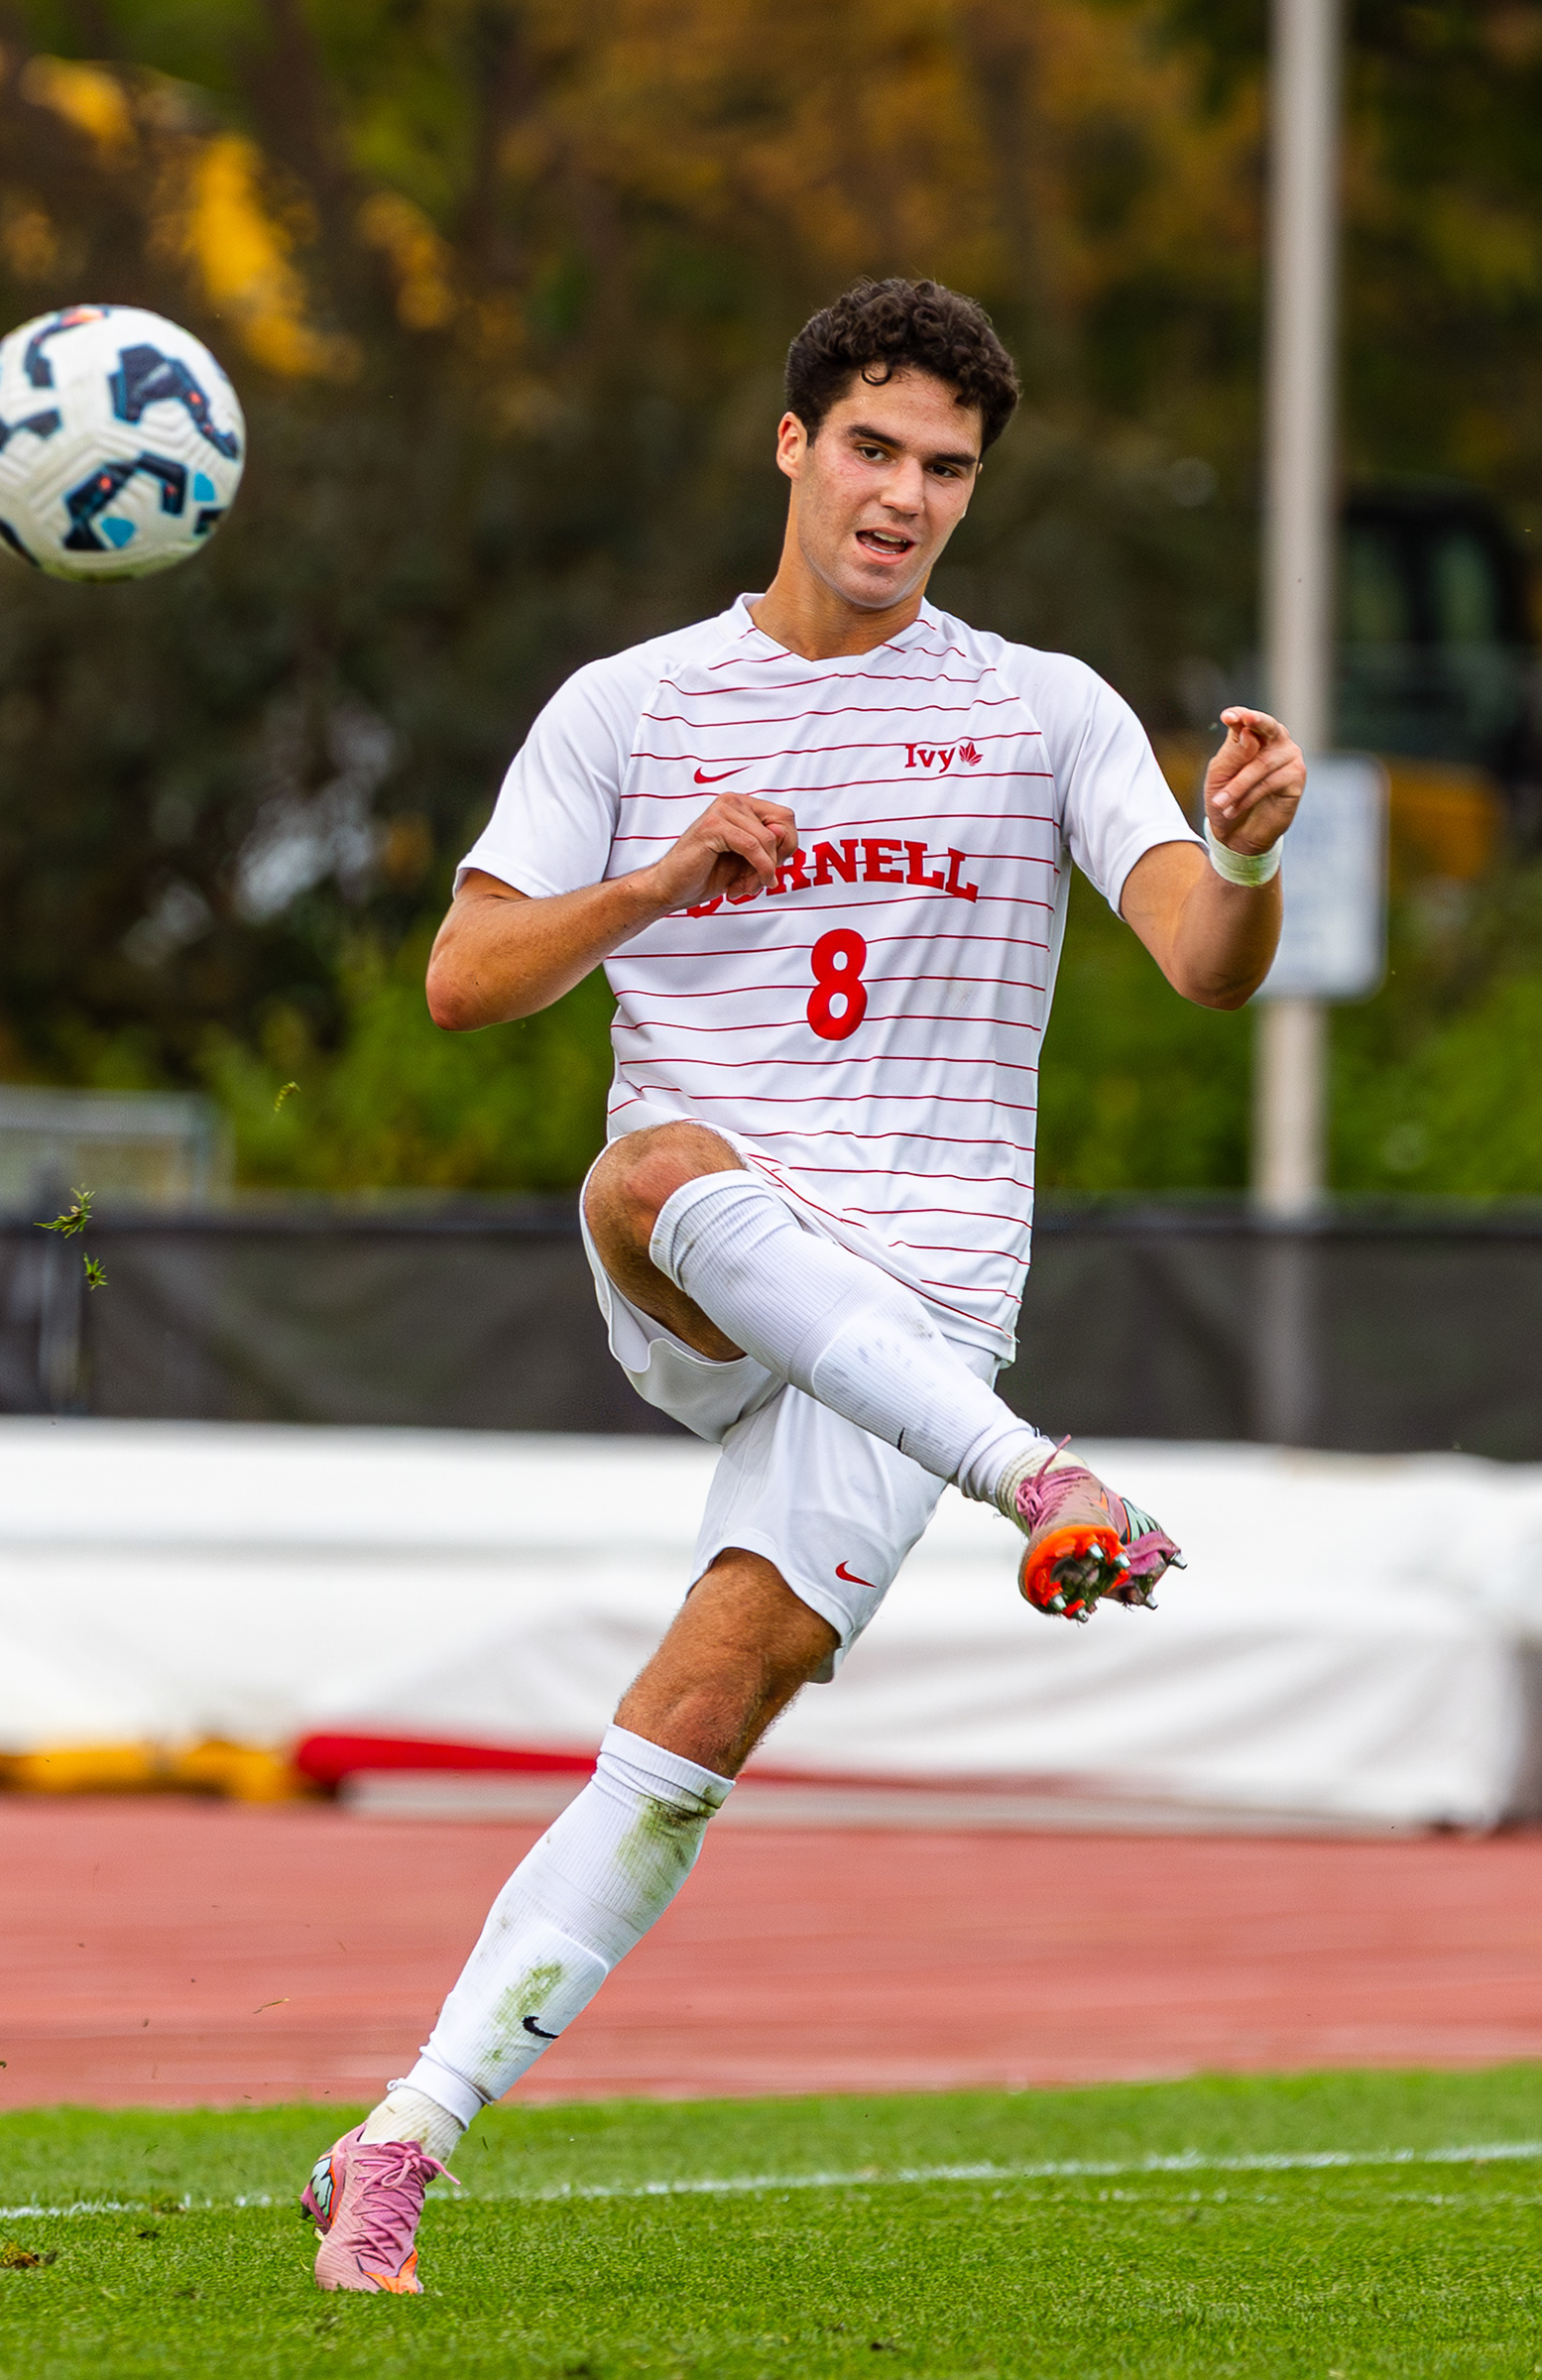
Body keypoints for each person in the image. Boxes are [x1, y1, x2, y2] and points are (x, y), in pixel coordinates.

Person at [300, 276, 1305, 2293]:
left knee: (699, 1715)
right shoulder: (631, 705)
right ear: (793, 445)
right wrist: (660, 879)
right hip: (700, 1264)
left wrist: (1249, 856)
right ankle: (1043, 1484)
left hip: (916, 1318)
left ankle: (401, 2137)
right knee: (649, 1165)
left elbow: (1204, 964)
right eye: (873, 449)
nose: (906, 497)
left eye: (948, 468)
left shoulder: (1040, 708)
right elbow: (463, 981)